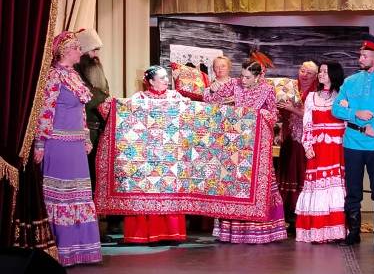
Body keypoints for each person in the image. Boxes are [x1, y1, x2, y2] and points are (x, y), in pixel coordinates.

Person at [33, 31, 102, 267]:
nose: (80, 52)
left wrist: (85, 138)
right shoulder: (53, 76)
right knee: (60, 197)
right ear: (65, 51)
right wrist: (40, 142)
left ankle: (81, 248)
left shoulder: (74, 76)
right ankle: (60, 250)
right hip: (57, 143)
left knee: (79, 195)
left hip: (74, 145)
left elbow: (81, 111)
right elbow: (45, 111)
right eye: (76, 48)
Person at [204, 59, 287, 244]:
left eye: (247, 77)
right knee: (235, 183)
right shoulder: (234, 84)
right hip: (237, 142)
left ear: (258, 77)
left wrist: (259, 114)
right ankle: (233, 231)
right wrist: (213, 90)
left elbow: (274, 114)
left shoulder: (267, 89)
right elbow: (210, 101)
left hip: (258, 142)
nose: (243, 80)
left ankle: (260, 231)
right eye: (242, 75)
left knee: (258, 183)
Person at [332, 34, 374, 249]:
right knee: (353, 190)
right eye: (360, 55)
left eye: (364, 55)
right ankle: (353, 234)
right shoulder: (350, 81)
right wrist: (355, 113)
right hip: (352, 142)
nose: (360, 58)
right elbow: (336, 109)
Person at [122, 65, 188, 245]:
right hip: (147, 154)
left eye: (167, 77)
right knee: (147, 190)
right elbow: (126, 117)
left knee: (169, 191)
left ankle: (170, 234)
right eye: (162, 78)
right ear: (151, 81)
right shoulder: (139, 98)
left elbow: (189, 116)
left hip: (169, 154)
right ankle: (144, 234)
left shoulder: (175, 97)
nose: (167, 80)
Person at [295, 62, 347, 244]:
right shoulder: (311, 97)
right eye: (320, 71)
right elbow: (307, 123)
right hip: (318, 147)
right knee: (317, 185)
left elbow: (347, 123)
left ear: (334, 74)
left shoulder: (342, 96)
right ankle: (317, 230)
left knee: (335, 185)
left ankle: (336, 231)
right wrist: (307, 145)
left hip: (337, 147)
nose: (321, 74)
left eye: (325, 71)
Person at [277, 61, 318, 233]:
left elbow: (313, 116)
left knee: (301, 174)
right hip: (290, 137)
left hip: (306, 140)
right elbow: (283, 113)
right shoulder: (291, 87)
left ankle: (301, 217)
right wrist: (280, 131)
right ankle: (286, 216)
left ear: (315, 76)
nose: (305, 75)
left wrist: (292, 109)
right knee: (287, 173)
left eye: (309, 73)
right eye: (302, 70)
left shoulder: (317, 93)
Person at [74, 28, 110, 193]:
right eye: (93, 50)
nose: (96, 55)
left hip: (99, 130)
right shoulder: (74, 73)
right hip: (84, 130)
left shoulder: (97, 70)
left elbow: (104, 93)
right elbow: (85, 99)